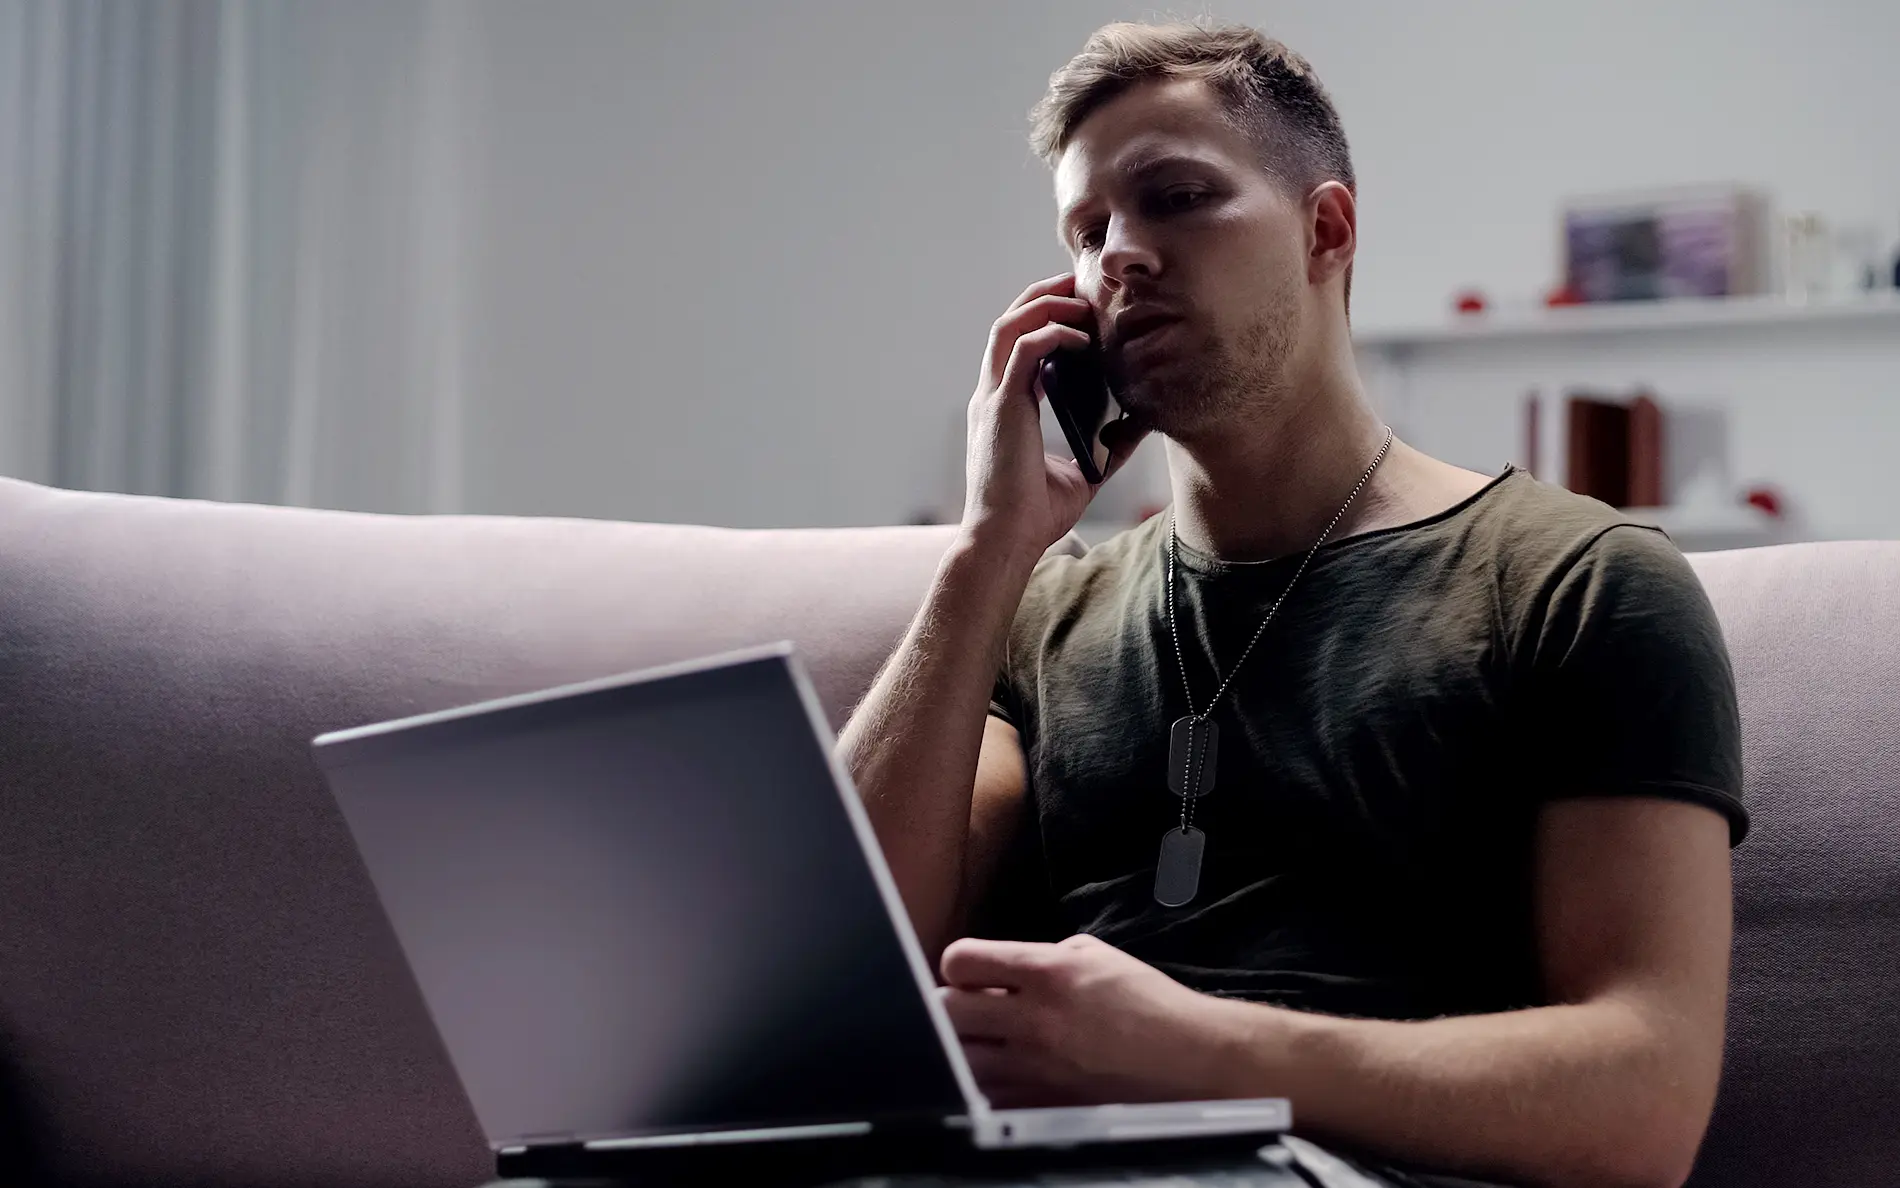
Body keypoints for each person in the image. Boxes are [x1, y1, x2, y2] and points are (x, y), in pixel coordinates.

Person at [838, 20, 1745, 1188]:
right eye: (1087, 229)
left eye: (1175, 197)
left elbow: (1644, 1102)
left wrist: (1194, 1051)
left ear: (1325, 230)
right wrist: (983, 552)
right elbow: (841, 975)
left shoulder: (1581, 583)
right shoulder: (1036, 609)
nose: (1119, 256)